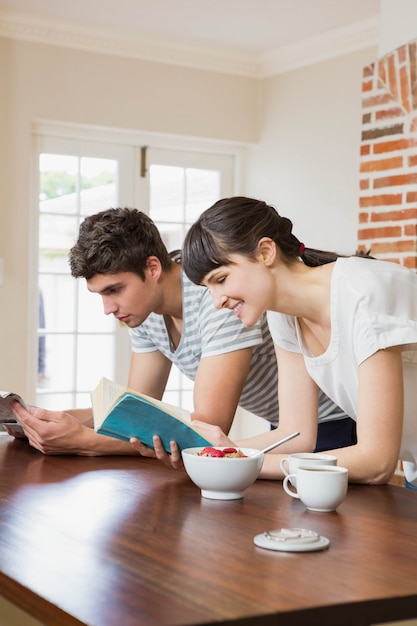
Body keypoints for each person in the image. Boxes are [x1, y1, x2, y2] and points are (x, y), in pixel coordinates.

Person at [11, 207, 349, 457]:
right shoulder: (144, 313)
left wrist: (87, 443)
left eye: (114, 290)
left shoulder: (215, 297)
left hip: (335, 423)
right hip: (286, 427)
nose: (108, 308)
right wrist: (52, 420)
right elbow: (131, 411)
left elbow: (208, 426)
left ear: (153, 268)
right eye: (100, 295)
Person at [175, 196, 417, 488]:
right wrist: (223, 453)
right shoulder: (284, 317)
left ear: (265, 252)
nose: (216, 301)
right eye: (207, 288)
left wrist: (242, 461)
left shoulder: (361, 294)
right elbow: (296, 434)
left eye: (221, 279)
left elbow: (376, 462)